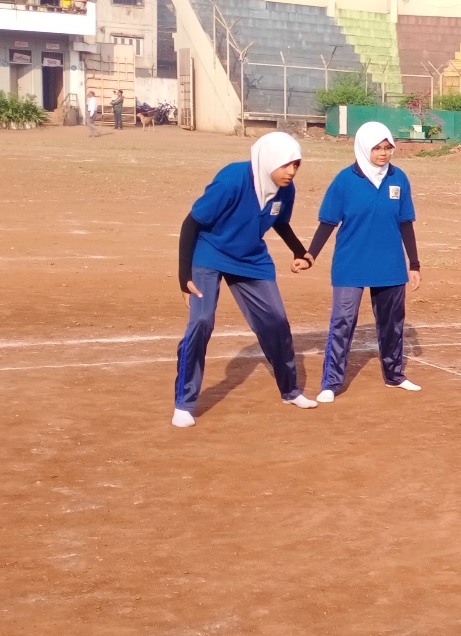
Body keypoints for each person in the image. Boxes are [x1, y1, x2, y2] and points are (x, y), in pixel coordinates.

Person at [172, 132, 320, 427]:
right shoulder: (232, 179)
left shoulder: (285, 190)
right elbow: (191, 222)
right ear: (269, 160)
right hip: (209, 253)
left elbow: (280, 222)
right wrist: (183, 276)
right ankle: (183, 404)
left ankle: (290, 391)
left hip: (251, 258)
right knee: (201, 321)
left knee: (276, 321)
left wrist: (299, 250)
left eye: (296, 165)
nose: (291, 171)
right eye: (286, 164)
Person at [307, 121, 423, 403]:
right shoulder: (344, 180)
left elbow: (406, 223)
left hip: (390, 263)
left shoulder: (399, 178)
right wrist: (310, 255)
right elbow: (327, 222)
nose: (383, 153)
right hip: (351, 263)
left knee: (392, 323)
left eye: (387, 148)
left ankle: (395, 375)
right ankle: (331, 383)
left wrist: (414, 264)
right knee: (343, 322)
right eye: (377, 148)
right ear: (363, 148)